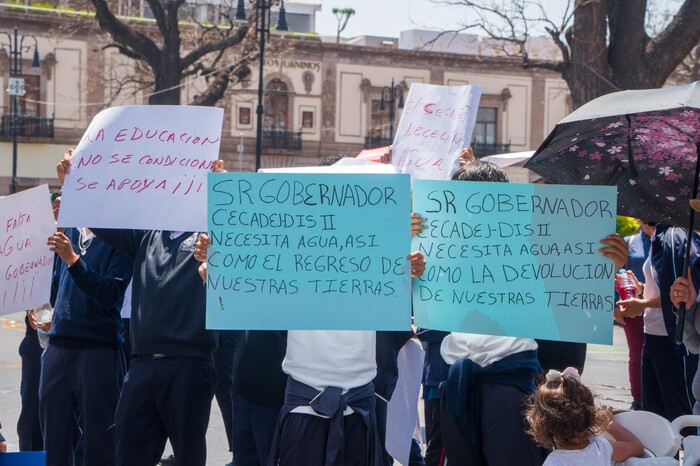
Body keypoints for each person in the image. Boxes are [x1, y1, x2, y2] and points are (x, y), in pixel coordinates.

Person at [435, 161, 628, 466]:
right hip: (469, 383)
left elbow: (576, 297)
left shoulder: (539, 243)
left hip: (536, 369)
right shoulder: (444, 239)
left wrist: (606, 270)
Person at [57, 150, 224, 466]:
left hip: (188, 366)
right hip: (142, 365)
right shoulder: (146, 236)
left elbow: (240, 251)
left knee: (189, 456)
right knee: (128, 452)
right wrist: (74, 183)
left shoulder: (210, 238)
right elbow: (101, 220)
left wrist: (221, 193)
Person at [39, 177, 133, 466]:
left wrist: (74, 261)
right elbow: (57, 283)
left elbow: (109, 294)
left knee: (99, 441)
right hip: (57, 347)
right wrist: (44, 312)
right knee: (54, 439)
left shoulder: (121, 239)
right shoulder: (69, 231)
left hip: (98, 350)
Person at [618, 223, 699, 423]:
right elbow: (667, 290)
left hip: (672, 339)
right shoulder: (659, 237)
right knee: (655, 416)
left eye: (649, 219)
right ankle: (666, 454)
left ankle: (685, 453)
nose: (644, 222)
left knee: (680, 416)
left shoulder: (675, 236)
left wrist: (644, 303)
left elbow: (681, 296)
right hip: (654, 335)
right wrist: (642, 289)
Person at [525, 367, 644, 465]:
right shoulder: (600, 448)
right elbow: (636, 447)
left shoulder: (553, 462)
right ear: (590, 415)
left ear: (543, 424)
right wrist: (609, 424)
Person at [619, 219, 654, 410]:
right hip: (633, 306)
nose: (648, 224)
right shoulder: (629, 242)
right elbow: (616, 271)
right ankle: (638, 400)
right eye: (645, 220)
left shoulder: (668, 240)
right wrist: (615, 304)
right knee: (637, 353)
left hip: (658, 307)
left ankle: (655, 397)